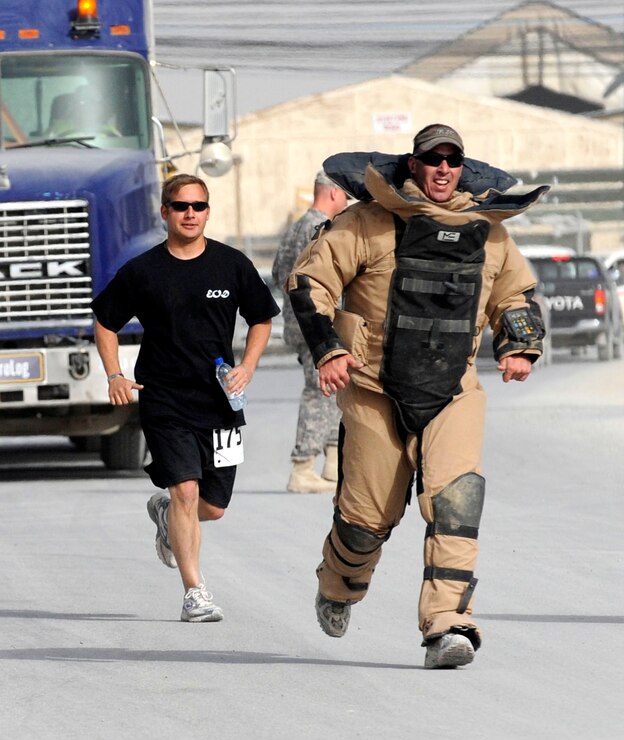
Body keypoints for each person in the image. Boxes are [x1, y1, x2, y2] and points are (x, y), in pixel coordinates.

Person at [287, 124, 548, 668]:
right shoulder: (366, 223)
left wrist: (519, 343)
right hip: (374, 387)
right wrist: (330, 350)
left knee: (457, 502)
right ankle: (338, 586)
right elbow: (309, 283)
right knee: (364, 522)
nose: (443, 169)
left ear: (463, 167)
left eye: (453, 160)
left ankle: (446, 627)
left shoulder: (489, 232)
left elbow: (514, 294)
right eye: (433, 159)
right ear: (414, 164)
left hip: (452, 391)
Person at [91, 173, 280, 622]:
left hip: (220, 403)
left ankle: (163, 513)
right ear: (165, 213)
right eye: (180, 206)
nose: (190, 213)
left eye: (198, 206)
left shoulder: (231, 264)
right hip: (165, 399)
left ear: (208, 211)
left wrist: (248, 366)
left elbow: (261, 318)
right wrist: (115, 373)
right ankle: (194, 591)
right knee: (186, 491)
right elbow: (104, 321)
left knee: (212, 507)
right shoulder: (143, 270)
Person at [272, 171, 349, 493]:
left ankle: (332, 464)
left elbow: (278, 274)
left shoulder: (296, 227)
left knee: (333, 393)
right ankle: (303, 468)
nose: (347, 203)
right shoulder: (320, 228)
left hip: (301, 323)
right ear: (333, 194)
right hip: (316, 325)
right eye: (345, 195)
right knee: (319, 393)